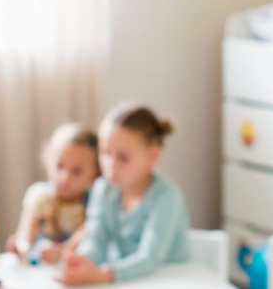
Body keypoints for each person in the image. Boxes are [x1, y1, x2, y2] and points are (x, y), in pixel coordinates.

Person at [57, 103, 191, 286]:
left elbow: (150, 257)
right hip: (131, 281)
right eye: (105, 153)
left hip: (176, 280)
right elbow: (97, 241)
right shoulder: (103, 189)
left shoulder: (166, 197)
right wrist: (83, 260)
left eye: (123, 157)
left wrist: (102, 274)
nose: (110, 164)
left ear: (152, 156)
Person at [6, 123, 100, 264]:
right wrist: (20, 247)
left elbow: (86, 235)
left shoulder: (94, 200)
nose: (64, 177)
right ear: (48, 161)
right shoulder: (39, 195)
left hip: (75, 268)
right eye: (59, 166)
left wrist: (61, 251)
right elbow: (26, 232)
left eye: (76, 171)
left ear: (94, 173)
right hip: (39, 268)